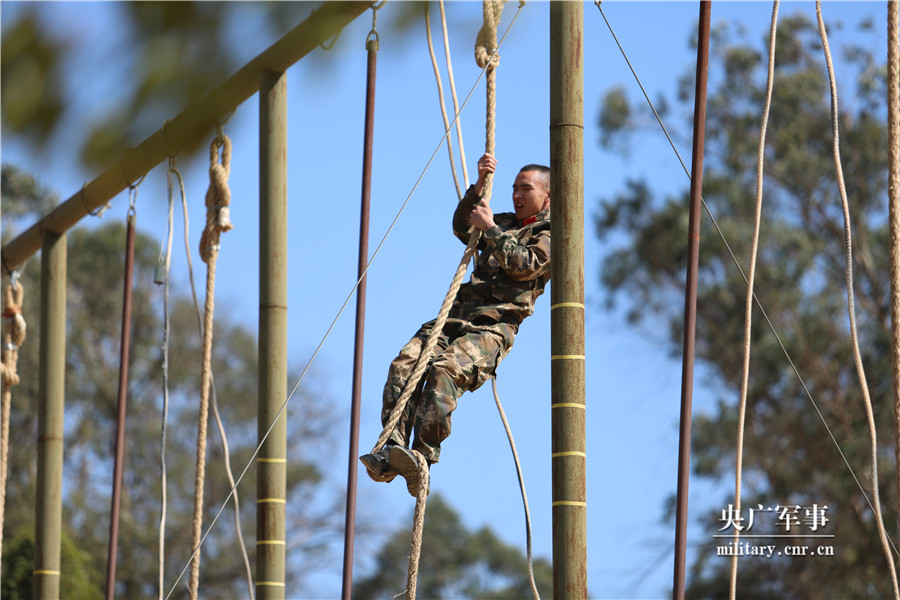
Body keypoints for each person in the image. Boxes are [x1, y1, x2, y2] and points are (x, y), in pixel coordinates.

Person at [360, 153, 551, 496]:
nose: (517, 195)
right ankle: (391, 446)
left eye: (526, 188)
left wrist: (491, 228)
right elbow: (462, 227)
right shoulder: (504, 221)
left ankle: (422, 456)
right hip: (456, 318)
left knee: (443, 374)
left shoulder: (550, 235)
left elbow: (524, 266)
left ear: (547, 196)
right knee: (405, 364)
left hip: (492, 328)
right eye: (514, 188)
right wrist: (478, 188)